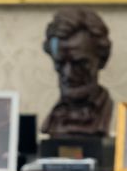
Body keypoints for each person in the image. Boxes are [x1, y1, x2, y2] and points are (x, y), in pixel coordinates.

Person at [40, 7, 114, 137]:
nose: (68, 74)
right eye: (60, 63)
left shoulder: (106, 113)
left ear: (102, 60)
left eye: (80, 64)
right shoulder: (54, 119)